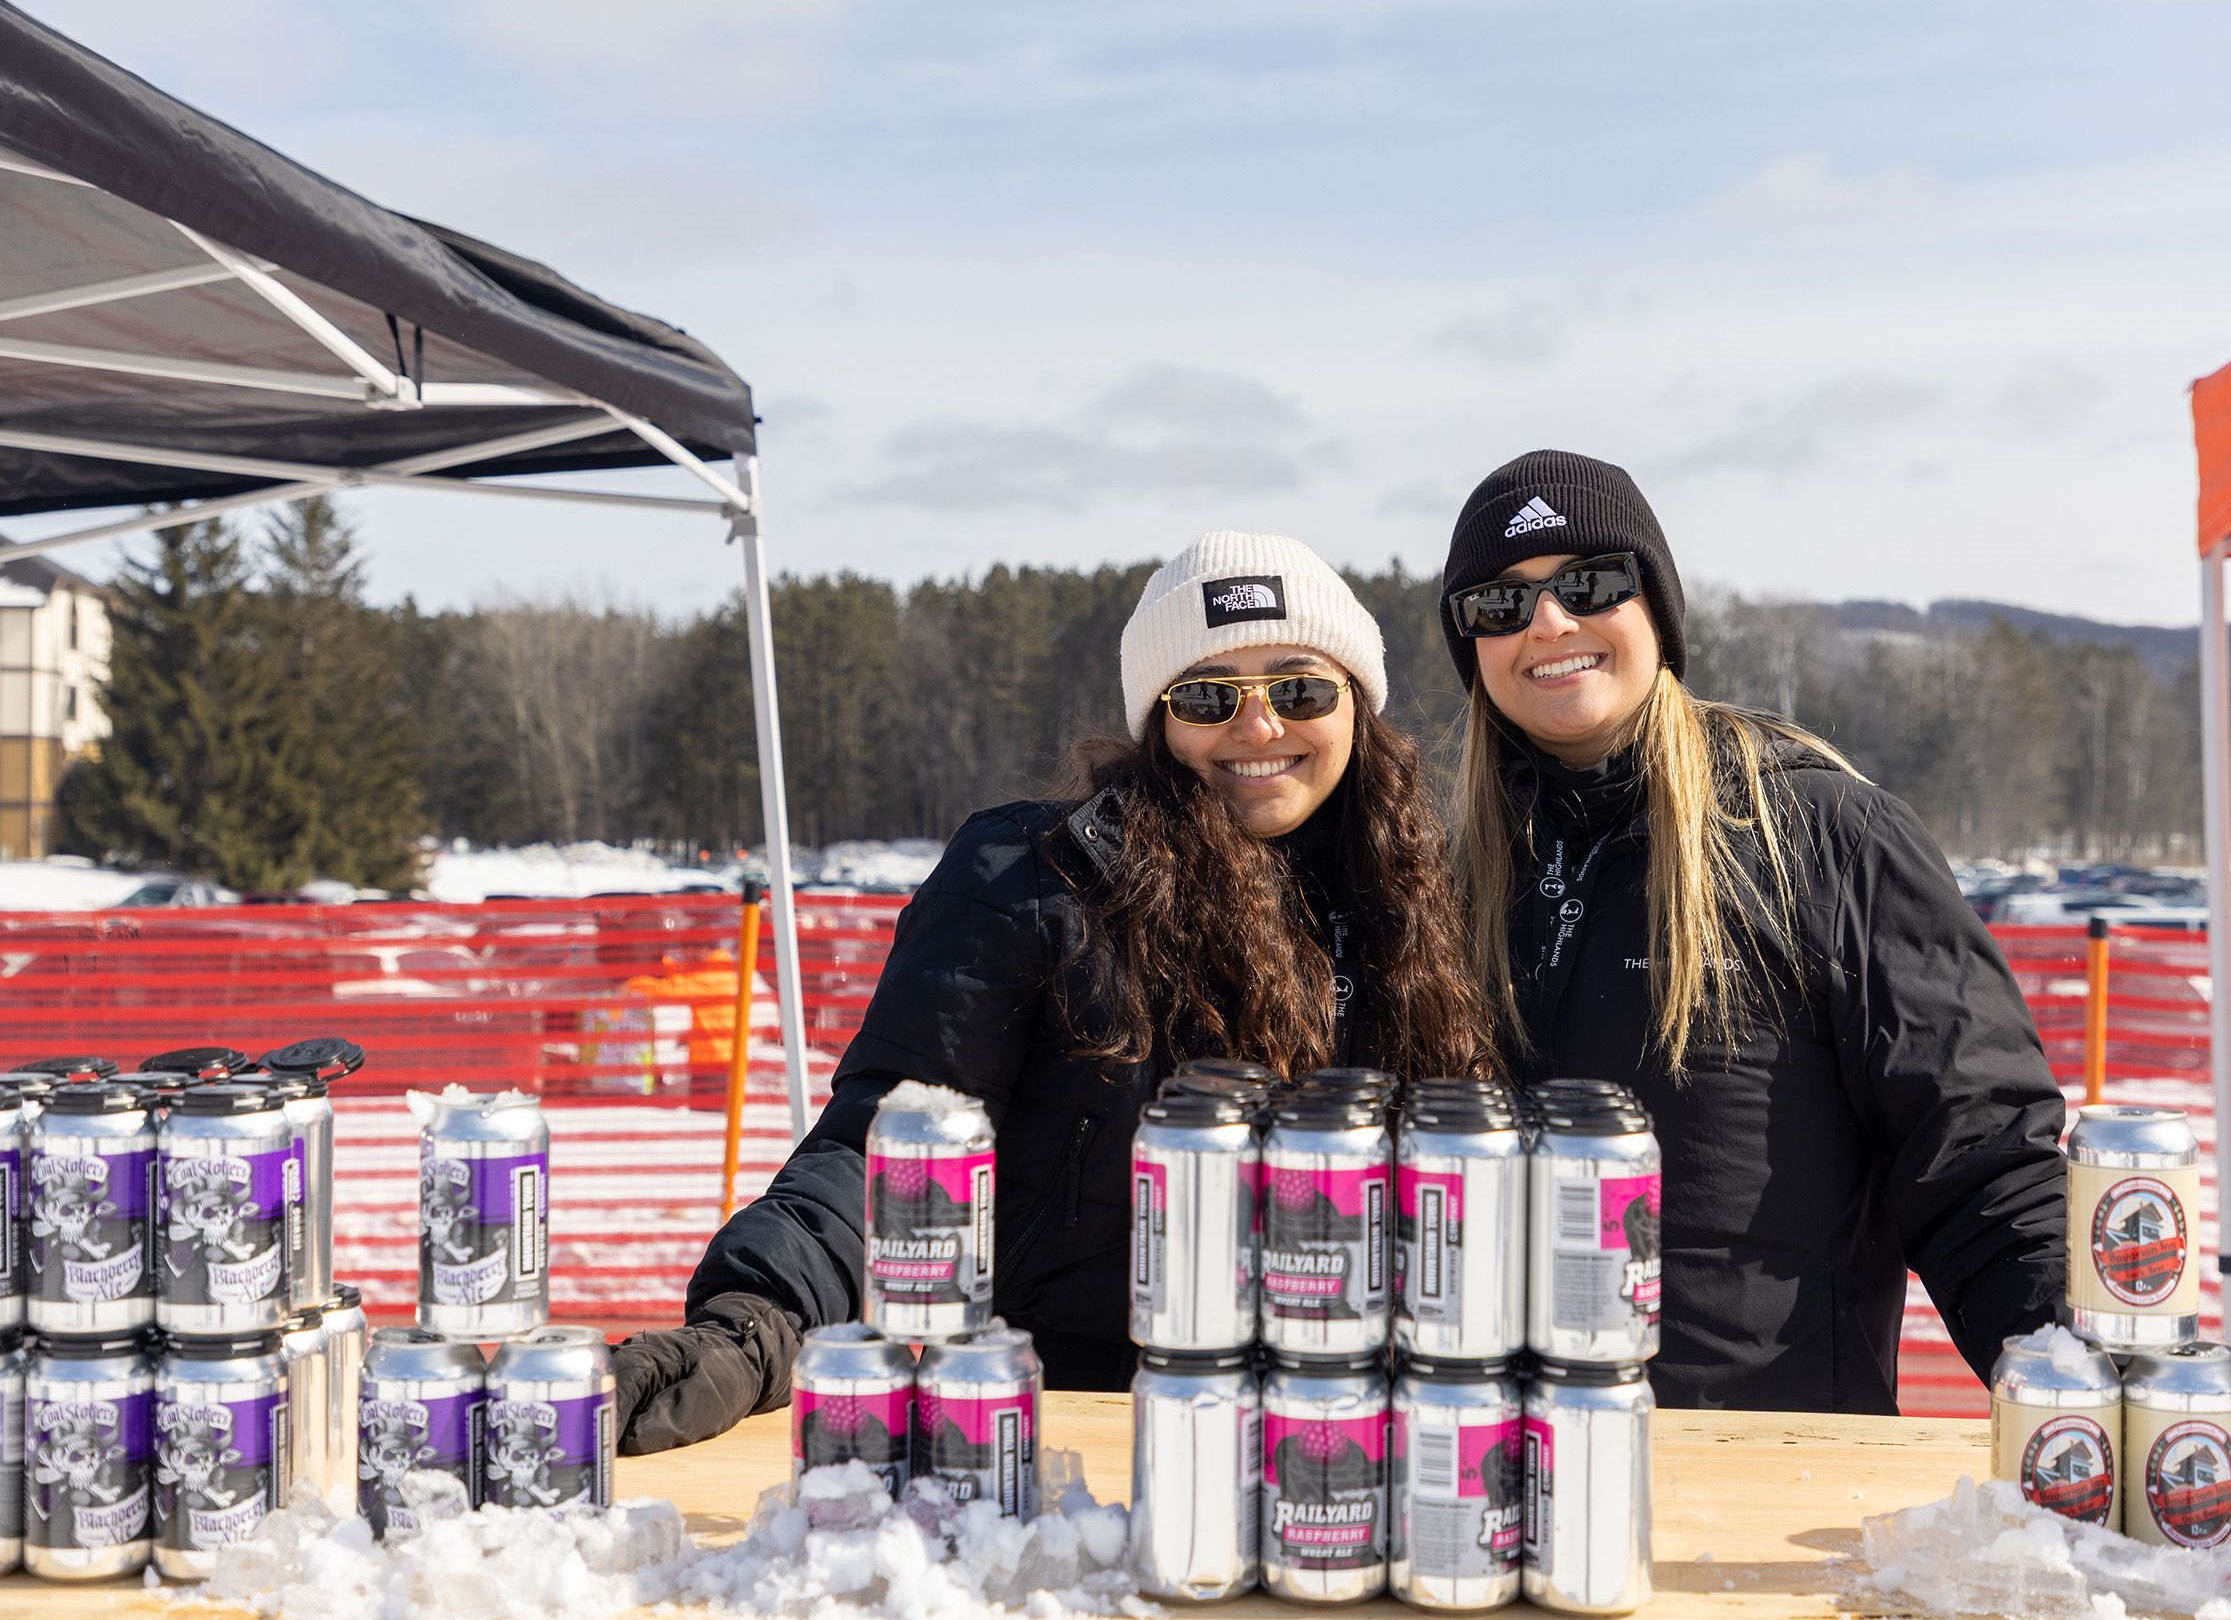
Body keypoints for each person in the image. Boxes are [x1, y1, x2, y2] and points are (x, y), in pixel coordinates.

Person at [612, 532, 1495, 1451]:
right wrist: (752, 1323)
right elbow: (889, 1141)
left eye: (1300, 687)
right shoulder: (1038, 881)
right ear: (1160, 720)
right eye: (1207, 695)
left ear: (1358, 704)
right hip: (1079, 1434)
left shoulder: (1430, 905)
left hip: (1352, 1448)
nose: (1260, 725)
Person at [1438, 448, 2069, 1414]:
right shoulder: (1448, 885)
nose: (1549, 623)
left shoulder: (1818, 838)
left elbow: (1983, 1166)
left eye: (1590, 583)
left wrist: (2104, 1393)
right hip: (1493, 1487)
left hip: (1765, 1490)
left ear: (1657, 609)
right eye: (1500, 602)